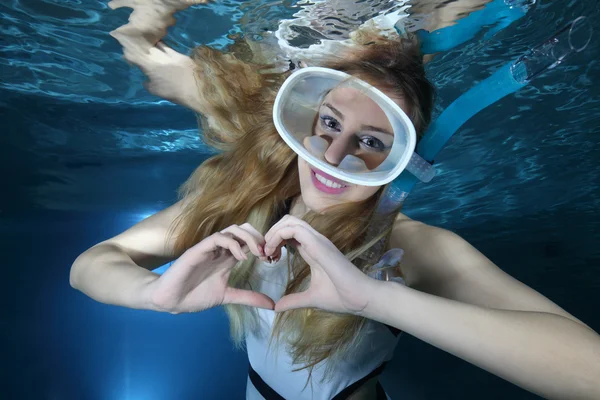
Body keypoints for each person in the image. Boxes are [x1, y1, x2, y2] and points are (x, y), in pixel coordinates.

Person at [70, 1, 600, 399]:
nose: (335, 155)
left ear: (403, 161)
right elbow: (91, 264)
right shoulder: (243, 206)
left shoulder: (408, 247)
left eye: (372, 142)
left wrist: (377, 299)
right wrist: (151, 294)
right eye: (329, 124)